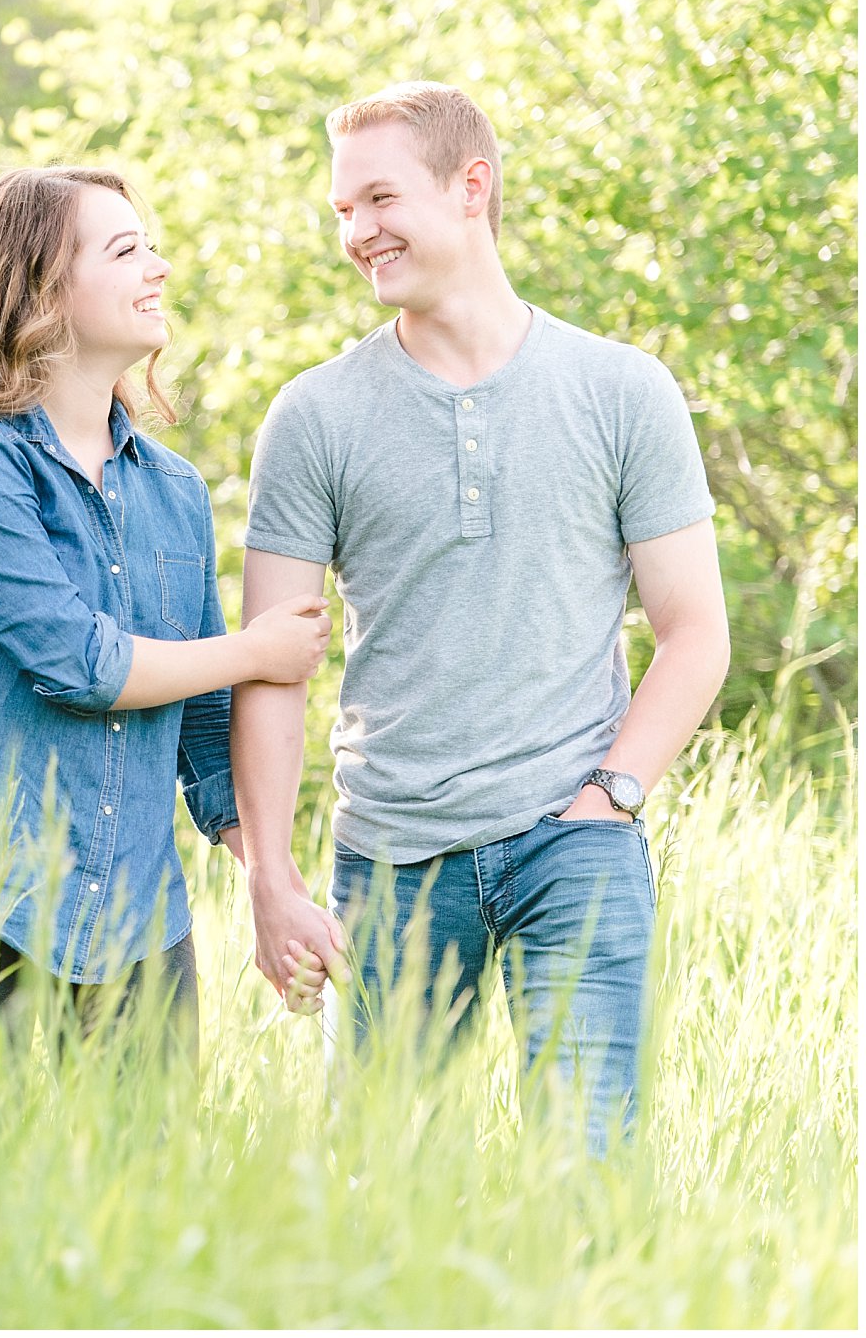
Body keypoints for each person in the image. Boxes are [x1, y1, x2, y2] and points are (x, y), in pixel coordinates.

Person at [233, 82, 730, 1152]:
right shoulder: (312, 415)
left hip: (573, 842)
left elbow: (694, 629)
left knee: (585, 1165)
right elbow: (272, 666)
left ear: (471, 188)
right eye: (339, 212)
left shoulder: (620, 390)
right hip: (391, 854)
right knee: (377, 1176)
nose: (356, 233)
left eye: (376, 198)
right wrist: (270, 881)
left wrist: (612, 794)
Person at [0, 165, 332, 1063]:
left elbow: (203, 729)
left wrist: (276, 884)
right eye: (125, 250)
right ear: (40, 284)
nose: (157, 268)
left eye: (150, 245)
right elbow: (81, 666)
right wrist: (257, 647)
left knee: (139, 1198)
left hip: (136, 923)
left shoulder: (176, 491)